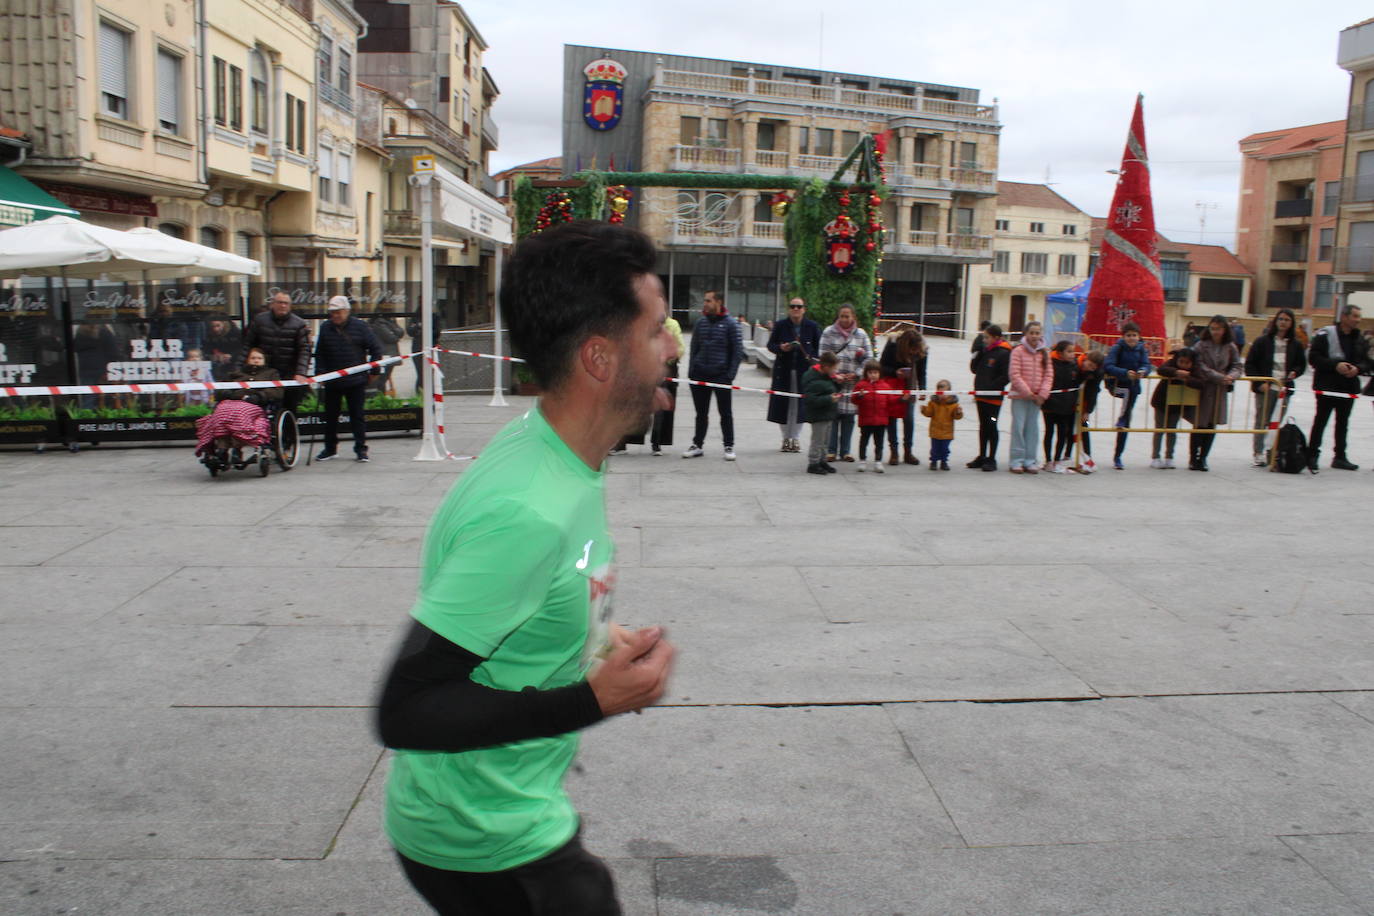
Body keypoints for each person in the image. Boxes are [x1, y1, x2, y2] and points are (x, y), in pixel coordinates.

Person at [375, 220, 676, 916]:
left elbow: (521, 611)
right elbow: (405, 709)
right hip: (483, 841)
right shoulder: (530, 512)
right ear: (601, 359)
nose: (673, 347)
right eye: (657, 329)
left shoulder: (557, 452)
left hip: (504, 814)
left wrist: (596, 643)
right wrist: (592, 699)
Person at [313, 296, 384, 462]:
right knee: (330, 417)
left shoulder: (360, 326)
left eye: (338, 312)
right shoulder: (325, 328)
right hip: (332, 380)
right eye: (332, 312)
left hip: (356, 380)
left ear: (346, 311)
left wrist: (374, 371)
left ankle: (361, 449)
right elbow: (320, 353)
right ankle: (330, 449)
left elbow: (375, 349)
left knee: (357, 416)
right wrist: (320, 373)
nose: (335, 315)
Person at [1306, 303, 1369, 472]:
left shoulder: (1359, 337)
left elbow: (1366, 361)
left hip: (1348, 387)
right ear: (1344, 317)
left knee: (1343, 423)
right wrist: (1335, 365)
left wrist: (1358, 369)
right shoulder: (1325, 334)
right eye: (1355, 316)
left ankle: (1340, 457)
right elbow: (1313, 358)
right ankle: (1312, 455)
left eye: (1359, 317)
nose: (1358, 320)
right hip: (1327, 386)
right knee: (1321, 421)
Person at [682, 289, 742, 461]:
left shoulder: (731, 324)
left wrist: (729, 375)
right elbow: (694, 348)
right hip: (700, 374)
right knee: (701, 413)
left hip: (721, 376)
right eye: (705, 300)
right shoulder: (701, 323)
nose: (705, 304)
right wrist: (692, 371)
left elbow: (737, 351)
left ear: (718, 302)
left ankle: (729, 446)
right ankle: (697, 445)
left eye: (708, 300)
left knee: (725, 413)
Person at [1243, 308, 1306, 466]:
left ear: (1291, 323)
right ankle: (1258, 452)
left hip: (1284, 389)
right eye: (1281, 319)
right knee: (1261, 420)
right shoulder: (1262, 341)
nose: (1283, 322)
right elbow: (1250, 364)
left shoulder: (1295, 344)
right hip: (1266, 388)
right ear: (1275, 321)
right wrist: (1259, 383)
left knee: (1276, 422)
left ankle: (1272, 452)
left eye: (1287, 320)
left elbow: (1301, 364)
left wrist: (1294, 373)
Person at [194, 347, 280, 460]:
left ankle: (236, 445)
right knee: (220, 413)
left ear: (264, 360)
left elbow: (276, 392)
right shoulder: (236, 373)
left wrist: (258, 396)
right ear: (248, 360)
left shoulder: (271, 374)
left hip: (255, 404)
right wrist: (231, 394)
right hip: (232, 401)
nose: (256, 360)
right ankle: (222, 448)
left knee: (239, 413)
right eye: (253, 358)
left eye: (259, 358)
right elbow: (220, 388)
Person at [1186, 315, 1244, 472]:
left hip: (1220, 390)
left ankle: (1203, 457)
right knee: (1199, 424)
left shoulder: (1230, 346)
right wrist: (1218, 376)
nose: (1215, 332)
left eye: (1218, 329)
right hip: (1204, 388)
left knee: (1212, 424)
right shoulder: (1201, 345)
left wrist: (1232, 376)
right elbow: (1198, 364)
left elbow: (1238, 366)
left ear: (1224, 330)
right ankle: (1193, 457)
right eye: (1212, 328)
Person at [766, 297, 821, 453]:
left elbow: (818, 348)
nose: (796, 309)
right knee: (783, 403)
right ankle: (785, 438)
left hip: (804, 372)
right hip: (783, 371)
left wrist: (811, 356)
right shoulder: (781, 325)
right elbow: (771, 345)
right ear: (789, 309)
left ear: (804, 309)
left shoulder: (812, 327)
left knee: (800, 405)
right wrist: (781, 348)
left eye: (799, 306)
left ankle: (795, 438)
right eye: (792, 306)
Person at [243, 291, 313, 412]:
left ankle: (289, 430)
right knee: (261, 408)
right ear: (273, 304)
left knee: (289, 410)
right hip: (264, 374)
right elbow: (248, 345)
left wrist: (301, 372)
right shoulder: (259, 320)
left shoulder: (299, 324)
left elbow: (304, 350)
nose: (283, 306)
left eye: (286, 303)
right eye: (280, 302)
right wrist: (243, 368)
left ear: (290, 305)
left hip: (289, 375)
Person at [819, 303, 870, 462]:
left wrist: (857, 373)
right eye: (842, 316)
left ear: (853, 317)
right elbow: (822, 356)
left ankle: (846, 451)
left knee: (849, 418)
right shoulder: (829, 332)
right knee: (833, 416)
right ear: (838, 317)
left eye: (848, 316)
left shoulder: (861, 334)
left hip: (852, 384)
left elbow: (869, 358)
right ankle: (831, 451)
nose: (845, 319)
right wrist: (835, 375)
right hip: (834, 383)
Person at [1104, 322, 1153, 470]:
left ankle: (1118, 456)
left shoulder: (1141, 350)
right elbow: (1108, 365)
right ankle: (1122, 417)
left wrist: (1143, 371)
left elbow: (1147, 365)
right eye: (1128, 335)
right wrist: (1124, 373)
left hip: (1132, 388)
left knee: (1126, 424)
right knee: (1126, 396)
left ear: (1139, 336)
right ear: (1123, 336)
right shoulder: (1117, 348)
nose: (1131, 338)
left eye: (1134, 335)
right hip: (1117, 385)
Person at [1007, 320, 1051, 474]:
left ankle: (1030, 460)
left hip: (1037, 399)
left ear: (1041, 335)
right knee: (1018, 428)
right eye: (1031, 333)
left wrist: (1042, 394)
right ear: (1026, 334)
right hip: (1020, 397)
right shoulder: (1018, 351)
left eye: (1037, 333)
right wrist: (1028, 393)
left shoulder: (1045, 352)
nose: (1034, 336)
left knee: (1033, 430)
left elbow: (1049, 375)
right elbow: (1014, 374)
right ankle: (1016, 460)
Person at [967, 324, 1012, 472]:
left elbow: (1006, 376)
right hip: (981, 395)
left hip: (993, 398)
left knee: (992, 425)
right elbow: (974, 369)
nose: (984, 339)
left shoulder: (1004, 353)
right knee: (983, 426)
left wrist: (992, 387)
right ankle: (982, 455)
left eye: (987, 337)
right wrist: (977, 353)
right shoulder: (985, 351)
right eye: (983, 337)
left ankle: (992, 458)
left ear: (996, 338)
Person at [880, 328, 927, 466]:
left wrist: (922, 389)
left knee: (909, 419)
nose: (913, 352)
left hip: (909, 387)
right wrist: (896, 372)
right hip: (893, 386)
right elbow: (882, 367)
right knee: (892, 419)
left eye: (915, 349)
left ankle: (908, 452)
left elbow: (922, 372)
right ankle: (894, 452)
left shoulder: (923, 351)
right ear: (905, 346)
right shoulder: (892, 345)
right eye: (911, 350)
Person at [1149, 347, 1201, 469]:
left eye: (1187, 363)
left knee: (1172, 431)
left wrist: (1187, 379)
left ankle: (1169, 457)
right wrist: (1176, 373)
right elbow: (1161, 370)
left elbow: (1200, 383)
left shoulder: (1194, 370)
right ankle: (1155, 457)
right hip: (1161, 402)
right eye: (1181, 362)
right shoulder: (1171, 364)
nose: (1183, 365)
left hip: (1177, 404)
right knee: (1159, 429)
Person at [1041, 340, 1079, 473]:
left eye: (1073, 351)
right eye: (1069, 351)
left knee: (1063, 433)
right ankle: (1048, 460)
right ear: (1060, 352)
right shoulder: (1050, 363)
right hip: (1050, 405)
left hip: (1066, 406)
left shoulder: (1074, 365)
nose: (1072, 354)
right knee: (1049, 432)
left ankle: (1057, 459)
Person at [649, 312, 684, 455]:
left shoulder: (673, 325)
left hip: (666, 368)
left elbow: (680, 348)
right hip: (646, 365)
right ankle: (622, 443)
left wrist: (667, 359)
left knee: (661, 406)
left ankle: (656, 442)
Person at [802, 351, 842, 475]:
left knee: (826, 440)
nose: (836, 371)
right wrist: (829, 399)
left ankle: (822, 460)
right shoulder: (811, 377)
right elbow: (811, 399)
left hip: (828, 412)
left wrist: (837, 383)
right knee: (818, 440)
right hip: (818, 414)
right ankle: (813, 463)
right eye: (834, 369)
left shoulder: (827, 376)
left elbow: (831, 389)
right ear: (826, 367)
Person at [850, 359, 890, 473]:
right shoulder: (860, 385)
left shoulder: (885, 386)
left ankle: (878, 461)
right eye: (870, 372)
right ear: (866, 373)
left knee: (879, 442)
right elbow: (854, 399)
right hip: (866, 420)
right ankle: (862, 460)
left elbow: (891, 400)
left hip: (881, 421)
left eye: (876, 372)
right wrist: (860, 396)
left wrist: (902, 398)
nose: (873, 375)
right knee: (864, 441)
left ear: (880, 373)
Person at [1071, 349, 1105, 474]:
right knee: (1070, 430)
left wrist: (1088, 411)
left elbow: (1093, 392)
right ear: (1086, 359)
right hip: (1071, 403)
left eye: (1093, 367)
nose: (1090, 368)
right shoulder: (1075, 364)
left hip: (1085, 405)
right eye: (1089, 365)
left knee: (1085, 428)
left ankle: (1087, 456)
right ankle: (1069, 455)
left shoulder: (1097, 373)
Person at [920, 379, 963, 471]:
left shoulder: (954, 405)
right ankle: (933, 462)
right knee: (934, 449)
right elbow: (929, 413)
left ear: (950, 392)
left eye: (945, 392)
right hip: (935, 431)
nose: (942, 395)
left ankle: (944, 462)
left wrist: (958, 412)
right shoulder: (933, 403)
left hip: (947, 432)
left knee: (945, 449)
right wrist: (924, 409)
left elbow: (957, 417)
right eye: (940, 393)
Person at [369, 312, 407, 396]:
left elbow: (401, 332)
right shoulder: (379, 322)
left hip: (390, 355)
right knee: (381, 380)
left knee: (383, 379)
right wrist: (395, 333)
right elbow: (390, 337)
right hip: (385, 354)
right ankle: (379, 397)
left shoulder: (391, 321)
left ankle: (381, 396)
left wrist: (393, 331)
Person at [203, 317, 242, 382]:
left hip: (233, 362)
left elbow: (241, 349)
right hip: (216, 362)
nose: (215, 329)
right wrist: (212, 355)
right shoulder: (208, 334)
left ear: (224, 324)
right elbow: (205, 348)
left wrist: (231, 355)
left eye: (218, 326)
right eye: (213, 326)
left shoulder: (235, 333)